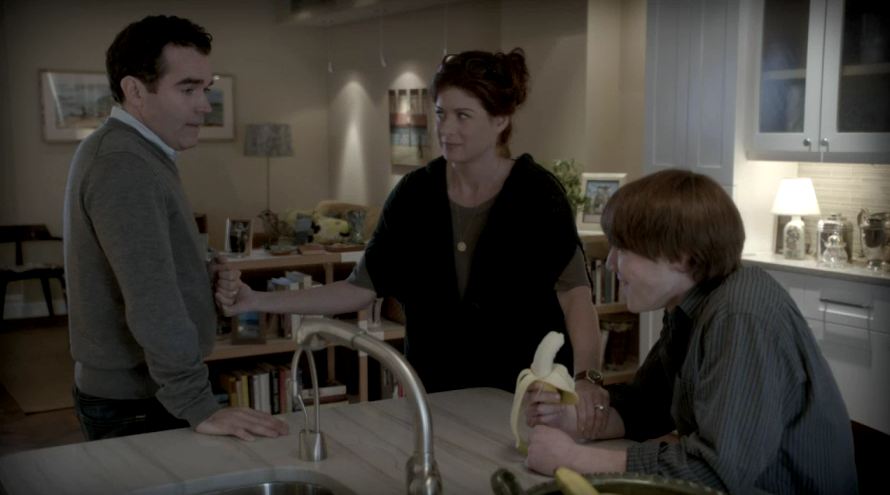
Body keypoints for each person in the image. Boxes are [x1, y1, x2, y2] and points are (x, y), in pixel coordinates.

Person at [216, 48, 609, 434]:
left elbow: (576, 296)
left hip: (526, 403)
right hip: (434, 400)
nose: (446, 128)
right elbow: (358, 290)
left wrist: (587, 377)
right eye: (440, 113)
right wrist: (259, 300)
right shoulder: (414, 195)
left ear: (500, 120)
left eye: (463, 116)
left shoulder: (537, 193)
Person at [524, 169, 858, 494]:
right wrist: (573, 417)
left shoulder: (740, 317)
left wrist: (575, 459)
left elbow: (716, 473)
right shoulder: (691, 306)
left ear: (681, 258)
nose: (611, 264)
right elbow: (646, 406)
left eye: (624, 250)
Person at [63, 15, 287, 441]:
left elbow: (148, 268)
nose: (205, 104)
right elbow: (152, 297)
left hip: (147, 391)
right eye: (188, 89)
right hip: (138, 400)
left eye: (206, 87)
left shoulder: (139, 153)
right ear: (134, 91)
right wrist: (198, 405)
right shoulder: (124, 165)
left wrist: (204, 275)